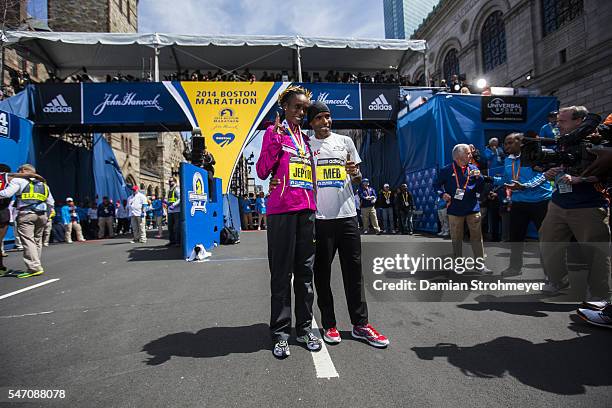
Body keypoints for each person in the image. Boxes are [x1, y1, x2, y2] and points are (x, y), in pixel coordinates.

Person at [305, 101, 389, 347]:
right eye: (320, 118)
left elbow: (358, 178)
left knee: (354, 273)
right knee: (322, 274)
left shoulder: (345, 142)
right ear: (311, 123)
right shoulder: (306, 145)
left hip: (348, 216)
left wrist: (356, 174)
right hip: (320, 219)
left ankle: (360, 324)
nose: (326, 122)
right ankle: (329, 324)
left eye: (328, 117)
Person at [256, 85, 322, 358]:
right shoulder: (274, 133)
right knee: (282, 275)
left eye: (305, 108)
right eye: (297, 107)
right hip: (282, 211)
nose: (301, 112)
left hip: (306, 211)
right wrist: (275, 139)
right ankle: (281, 333)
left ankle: (305, 328)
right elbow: (262, 171)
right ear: (285, 107)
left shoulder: (305, 140)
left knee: (305, 274)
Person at [539, 106, 610, 300]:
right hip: (559, 202)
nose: (557, 124)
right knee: (547, 241)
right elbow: (556, 164)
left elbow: (605, 173)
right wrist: (549, 171)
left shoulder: (599, 142)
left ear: (579, 121)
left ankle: (599, 293)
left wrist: (582, 179)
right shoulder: (562, 142)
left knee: (596, 250)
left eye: (563, 121)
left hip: (588, 204)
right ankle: (556, 279)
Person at [492, 133, 553, 276]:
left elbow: (542, 176)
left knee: (546, 239)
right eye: (505, 143)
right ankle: (514, 268)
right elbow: (507, 180)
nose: (506, 146)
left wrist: (524, 186)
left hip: (541, 202)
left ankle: (551, 272)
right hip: (519, 203)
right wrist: (488, 180)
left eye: (510, 143)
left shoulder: (535, 155)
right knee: (516, 237)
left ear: (521, 143)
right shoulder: (508, 160)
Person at [434, 144, 490, 274]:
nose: (471, 155)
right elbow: (435, 185)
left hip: (473, 208)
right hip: (455, 209)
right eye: (468, 153)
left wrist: (480, 178)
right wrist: (442, 194)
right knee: (456, 237)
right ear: (459, 156)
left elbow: (480, 188)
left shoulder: (474, 168)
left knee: (477, 237)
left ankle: (479, 265)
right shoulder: (446, 170)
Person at [0, 164, 54, 278]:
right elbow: (51, 203)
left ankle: (34, 268)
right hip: (42, 215)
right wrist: (47, 216)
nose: (17, 172)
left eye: (19, 170)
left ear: (24, 171)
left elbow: (7, 194)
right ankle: (36, 264)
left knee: (28, 240)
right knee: (37, 240)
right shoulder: (43, 185)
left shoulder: (18, 181)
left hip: (26, 214)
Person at [166, 177, 181, 246]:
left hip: (177, 211)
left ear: (175, 182)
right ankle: (172, 241)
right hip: (170, 211)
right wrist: (166, 202)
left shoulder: (177, 189)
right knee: (170, 227)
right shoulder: (169, 190)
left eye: (171, 181)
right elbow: (170, 199)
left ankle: (178, 242)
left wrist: (173, 205)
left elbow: (180, 199)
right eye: (169, 181)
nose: (169, 183)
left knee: (177, 227)